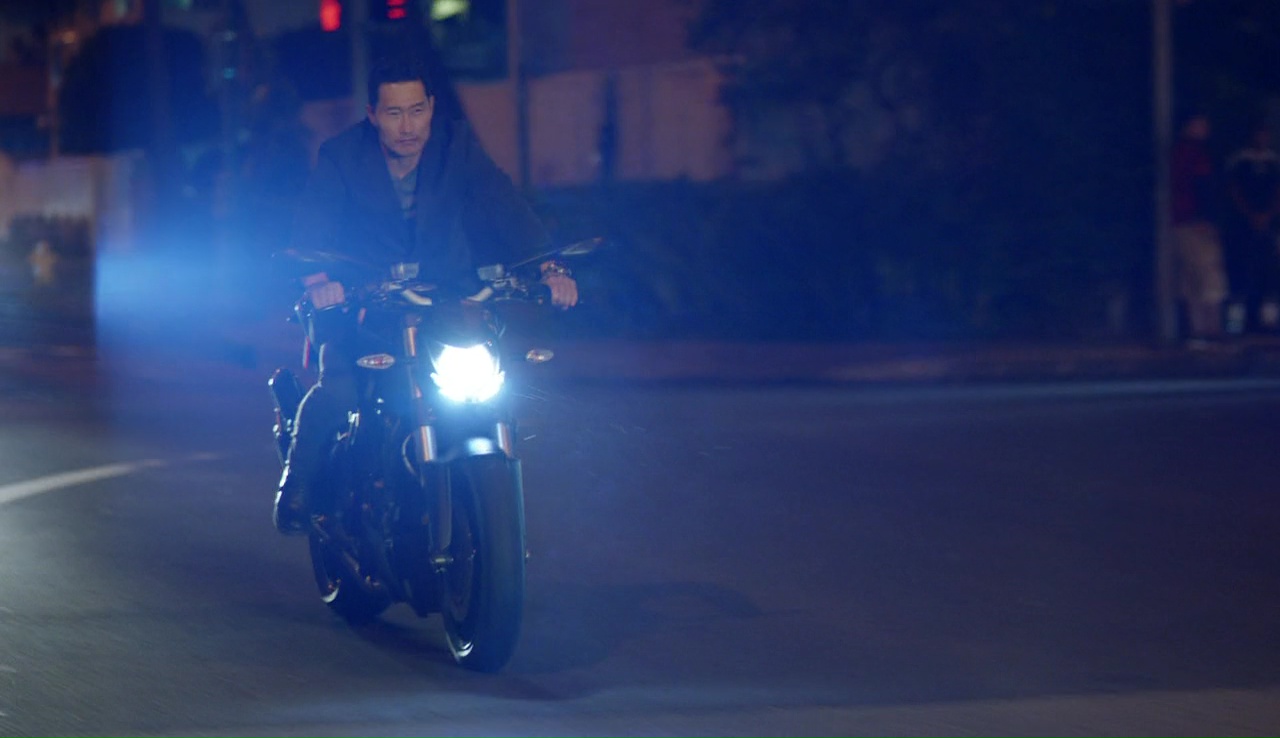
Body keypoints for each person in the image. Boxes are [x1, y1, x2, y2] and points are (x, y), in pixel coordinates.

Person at [274, 54, 578, 534]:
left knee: (493, 375)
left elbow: (506, 206)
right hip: (365, 302)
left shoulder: (458, 146)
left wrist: (550, 267)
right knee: (339, 386)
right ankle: (296, 484)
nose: (407, 126)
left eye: (417, 111)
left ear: (432, 107)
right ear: (372, 114)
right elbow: (313, 225)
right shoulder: (342, 156)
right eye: (394, 113)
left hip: (447, 301)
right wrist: (319, 283)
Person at [1170, 112, 1229, 343]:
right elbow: (1198, 187)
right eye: (1199, 124)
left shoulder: (1187, 152)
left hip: (1186, 220)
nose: (1205, 128)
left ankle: (1198, 329)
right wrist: (1203, 217)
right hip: (1195, 221)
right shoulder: (1191, 154)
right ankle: (1209, 328)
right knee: (1207, 273)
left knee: (1193, 276)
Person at [1224, 120, 1280, 334]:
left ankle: (1269, 324)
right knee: (1241, 272)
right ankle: (1235, 325)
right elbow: (1233, 190)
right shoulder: (1239, 161)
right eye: (1258, 133)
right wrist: (1251, 214)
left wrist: (1268, 215)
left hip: (1269, 226)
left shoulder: (1274, 162)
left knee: (1270, 273)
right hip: (1243, 226)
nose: (1262, 138)